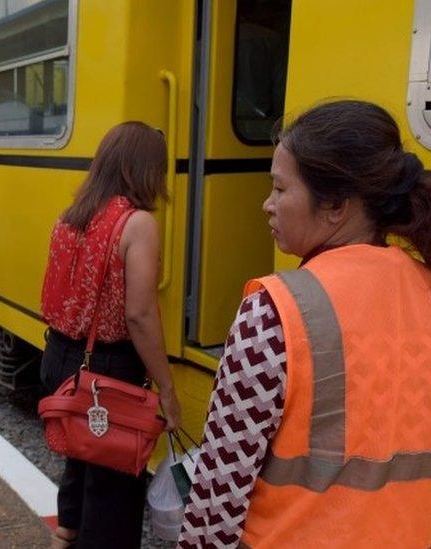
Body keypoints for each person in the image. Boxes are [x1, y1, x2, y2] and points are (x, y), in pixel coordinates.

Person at [179, 100, 431, 548]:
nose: (267, 205)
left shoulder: (275, 312)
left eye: (279, 189)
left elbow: (217, 498)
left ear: (335, 205)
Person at [39, 122, 181, 549]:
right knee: (114, 493)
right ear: (145, 170)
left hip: (61, 358)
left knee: (81, 458)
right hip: (108, 370)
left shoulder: (71, 217)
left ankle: (66, 533)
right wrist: (168, 390)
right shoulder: (136, 224)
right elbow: (138, 314)